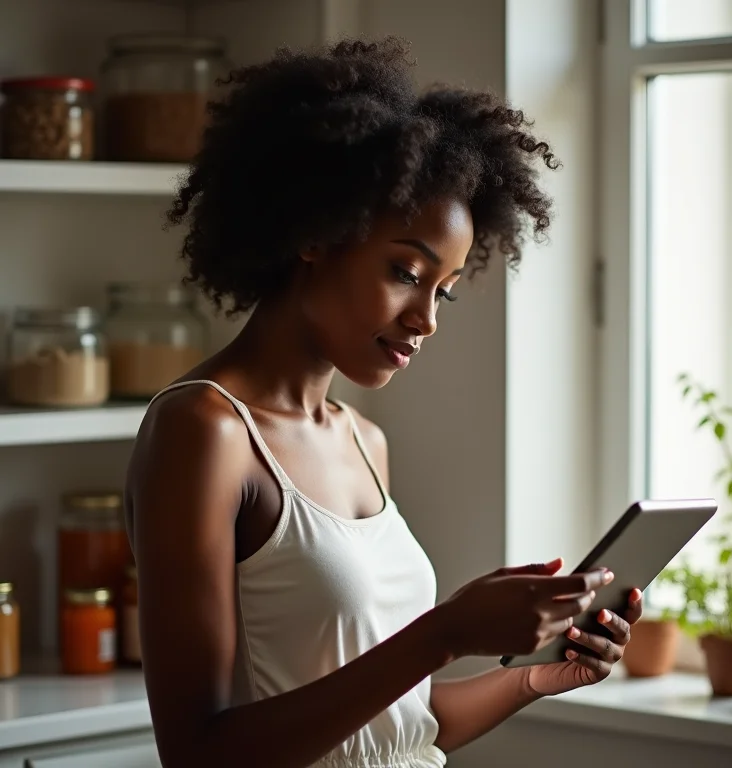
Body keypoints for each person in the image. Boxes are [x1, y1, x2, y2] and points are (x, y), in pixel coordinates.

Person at [125, 37, 643, 768]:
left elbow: (395, 727)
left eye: (445, 291)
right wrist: (445, 632)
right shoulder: (203, 430)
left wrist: (540, 677)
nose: (426, 318)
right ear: (314, 234)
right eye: (406, 271)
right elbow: (201, 753)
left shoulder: (365, 442)